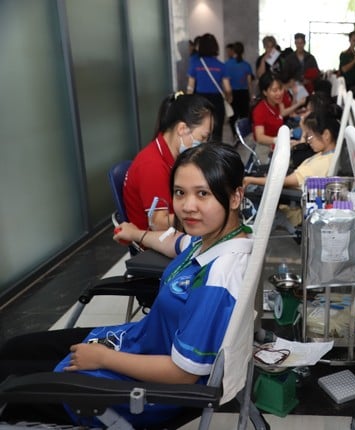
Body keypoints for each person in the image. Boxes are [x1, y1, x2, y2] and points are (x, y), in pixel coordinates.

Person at [0, 145, 253, 427]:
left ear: (235, 196)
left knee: (10, 386)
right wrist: (136, 233)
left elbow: (184, 375)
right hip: (135, 343)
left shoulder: (219, 277)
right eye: (180, 192)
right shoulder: (213, 237)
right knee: (14, 348)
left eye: (202, 193)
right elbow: (174, 243)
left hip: (146, 389)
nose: (187, 206)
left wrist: (104, 358)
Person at [123, 92, 215, 231]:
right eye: (202, 138)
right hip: (158, 243)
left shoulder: (173, 156)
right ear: (182, 129)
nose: (203, 144)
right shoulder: (152, 165)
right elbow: (158, 223)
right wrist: (205, 215)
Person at [245, 105, 340, 190]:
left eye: (310, 136)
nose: (308, 140)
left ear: (326, 135)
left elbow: (282, 182)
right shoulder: (327, 154)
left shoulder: (322, 163)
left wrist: (250, 180)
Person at [186, 33, 232, 143]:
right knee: (216, 131)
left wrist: (187, 102)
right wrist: (229, 98)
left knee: (200, 130)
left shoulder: (195, 64)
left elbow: (190, 88)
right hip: (217, 101)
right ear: (215, 47)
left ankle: (202, 155)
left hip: (200, 100)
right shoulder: (221, 65)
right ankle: (215, 155)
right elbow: (228, 88)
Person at [225, 41, 254, 137]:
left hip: (232, 93)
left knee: (233, 116)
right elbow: (249, 83)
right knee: (244, 116)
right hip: (244, 93)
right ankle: (243, 135)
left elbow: (226, 82)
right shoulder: (246, 65)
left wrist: (227, 96)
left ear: (233, 51)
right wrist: (251, 96)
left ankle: (235, 135)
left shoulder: (227, 64)